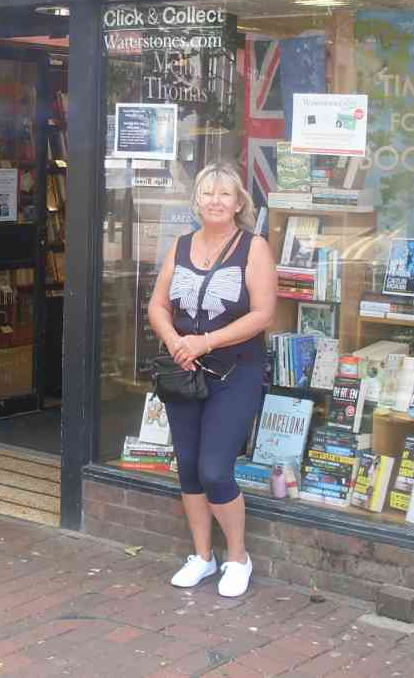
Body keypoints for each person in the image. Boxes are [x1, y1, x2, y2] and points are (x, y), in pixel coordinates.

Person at [147, 162, 277, 597]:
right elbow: (158, 305)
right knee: (188, 469)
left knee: (215, 469)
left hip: (234, 371)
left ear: (239, 202)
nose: (216, 201)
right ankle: (203, 557)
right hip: (185, 374)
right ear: (197, 201)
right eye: (207, 194)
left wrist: (204, 342)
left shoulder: (253, 247)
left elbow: (262, 315)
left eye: (224, 194)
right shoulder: (181, 245)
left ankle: (238, 557)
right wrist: (176, 342)